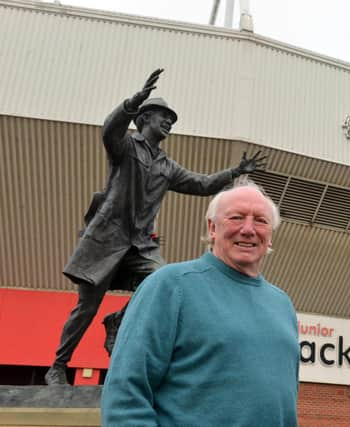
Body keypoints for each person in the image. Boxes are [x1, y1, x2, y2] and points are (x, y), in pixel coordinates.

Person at [45, 69, 266, 385]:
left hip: (140, 246)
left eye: (172, 121)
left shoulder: (166, 165)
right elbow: (109, 130)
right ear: (144, 118)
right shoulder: (125, 147)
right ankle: (57, 366)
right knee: (86, 307)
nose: (169, 124)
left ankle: (118, 320)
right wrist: (131, 103)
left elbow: (201, 184)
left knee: (160, 281)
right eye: (164, 117)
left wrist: (234, 172)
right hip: (106, 240)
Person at [101, 180, 299, 427]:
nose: (248, 229)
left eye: (260, 220)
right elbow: (125, 393)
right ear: (212, 227)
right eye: (236, 218)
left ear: (270, 236)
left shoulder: (282, 305)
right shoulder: (170, 286)